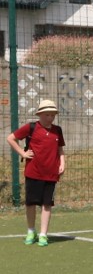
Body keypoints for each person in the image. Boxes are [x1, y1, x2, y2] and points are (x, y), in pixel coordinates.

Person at [6, 99, 66, 246]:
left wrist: (63, 163)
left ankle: (43, 234)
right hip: (33, 173)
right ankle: (31, 231)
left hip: (51, 174)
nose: (50, 118)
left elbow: (60, 149)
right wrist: (22, 153)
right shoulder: (31, 127)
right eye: (47, 115)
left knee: (47, 204)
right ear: (40, 114)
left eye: (52, 115)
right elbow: (11, 138)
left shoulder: (57, 130)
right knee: (31, 203)